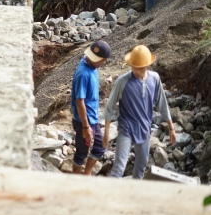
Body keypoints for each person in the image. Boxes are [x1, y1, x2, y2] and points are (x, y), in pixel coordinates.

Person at [104, 45, 177, 179]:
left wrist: (171, 127)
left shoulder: (154, 79)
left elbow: (162, 103)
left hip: (145, 128)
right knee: (119, 165)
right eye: (134, 67)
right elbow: (110, 106)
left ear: (148, 66)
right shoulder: (123, 81)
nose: (137, 71)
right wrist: (106, 132)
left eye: (141, 68)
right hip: (126, 128)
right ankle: (108, 197)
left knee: (141, 166)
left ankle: (134, 196)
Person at [71, 40, 111, 175]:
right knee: (82, 152)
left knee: (100, 146)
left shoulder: (91, 66)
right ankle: (75, 181)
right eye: (102, 60)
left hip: (92, 118)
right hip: (84, 121)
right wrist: (85, 127)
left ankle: (86, 174)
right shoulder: (83, 73)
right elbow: (79, 101)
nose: (103, 63)